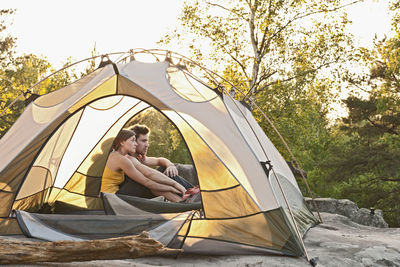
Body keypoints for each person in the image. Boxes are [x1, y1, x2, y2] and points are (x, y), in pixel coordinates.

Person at [101, 129, 186, 202]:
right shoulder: (121, 159)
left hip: (110, 197)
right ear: (122, 142)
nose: (136, 144)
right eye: (132, 140)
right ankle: (185, 198)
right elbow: (147, 181)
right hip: (111, 200)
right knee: (146, 184)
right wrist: (173, 187)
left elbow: (154, 167)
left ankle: (183, 200)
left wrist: (170, 168)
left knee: (152, 181)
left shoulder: (119, 156)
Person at [129, 124, 194, 189]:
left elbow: (159, 160)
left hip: (144, 186)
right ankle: (193, 192)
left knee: (165, 170)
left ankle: (192, 192)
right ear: (133, 141)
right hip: (131, 190)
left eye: (147, 141)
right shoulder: (127, 158)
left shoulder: (140, 158)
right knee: (165, 175)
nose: (147, 145)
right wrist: (174, 184)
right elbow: (149, 174)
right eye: (143, 141)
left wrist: (170, 165)